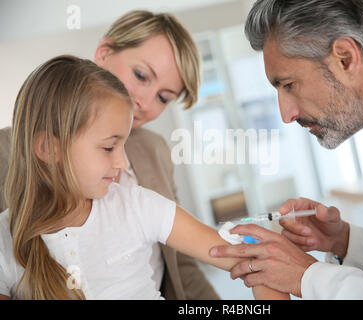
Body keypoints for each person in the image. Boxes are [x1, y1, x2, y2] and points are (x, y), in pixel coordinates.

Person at [210, 0, 363, 299]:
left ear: (345, 58)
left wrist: (306, 276)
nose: (286, 114)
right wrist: (344, 243)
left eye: (287, 84)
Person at [0, 55, 288, 300]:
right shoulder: (5, 241)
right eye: (109, 147)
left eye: (123, 146)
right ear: (49, 149)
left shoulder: (137, 206)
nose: (123, 162)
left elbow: (253, 260)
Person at [0, 10, 218, 300]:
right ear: (103, 54)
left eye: (163, 98)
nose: (144, 101)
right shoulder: (7, 150)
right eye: (141, 75)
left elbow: (181, 262)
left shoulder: (155, 150)